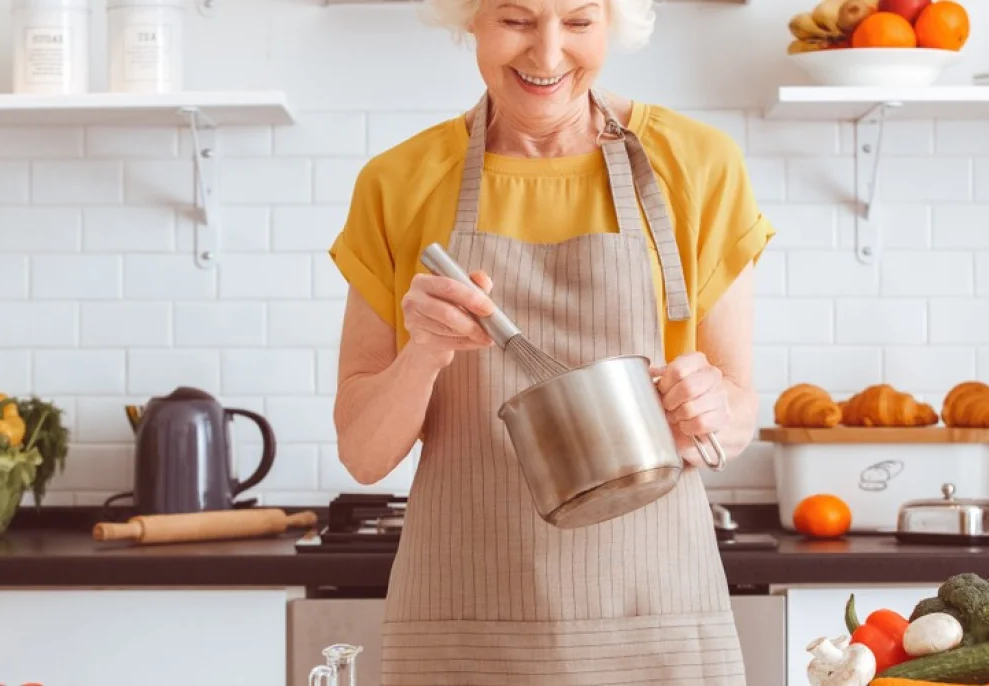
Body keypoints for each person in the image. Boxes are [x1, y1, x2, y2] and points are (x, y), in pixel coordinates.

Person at [328, 0, 776, 679]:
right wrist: (424, 351)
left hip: (652, 615)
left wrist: (711, 407)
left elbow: (739, 410)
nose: (546, 54)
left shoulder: (699, 167)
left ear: (612, 25)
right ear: (469, 20)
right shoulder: (397, 184)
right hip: (463, 623)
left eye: (577, 21)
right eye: (515, 20)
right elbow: (363, 454)